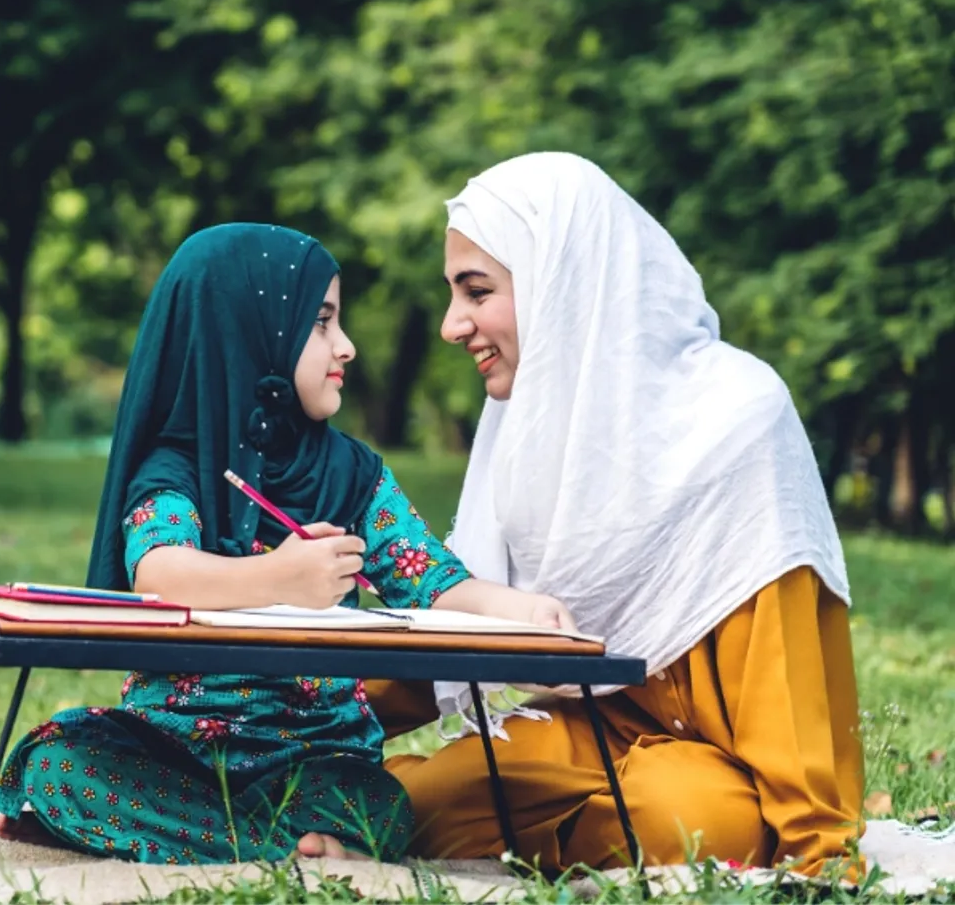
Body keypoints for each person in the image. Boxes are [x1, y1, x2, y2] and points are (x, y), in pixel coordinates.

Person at [0, 223, 573, 864]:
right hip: (171, 749)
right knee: (58, 760)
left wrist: (524, 610)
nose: (346, 347)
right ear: (251, 333)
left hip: (316, 754)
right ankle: (285, 851)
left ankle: (217, 839)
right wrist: (282, 579)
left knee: (377, 803)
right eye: (321, 322)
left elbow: (434, 581)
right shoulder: (177, 470)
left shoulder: (353, 475)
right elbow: (160, 573)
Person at [367, 152, 863, 877]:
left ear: (562, 283)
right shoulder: (534, 427)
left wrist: (819, 856)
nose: (451, 325)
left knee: (686, 817)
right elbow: (469, 614)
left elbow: (785, 669)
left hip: (734, 769)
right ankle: (401, 817)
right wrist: (315, 710)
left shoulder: (738, 417)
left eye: (476, 291)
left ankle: (547, 831)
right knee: (419, 799)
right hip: (599, 729)